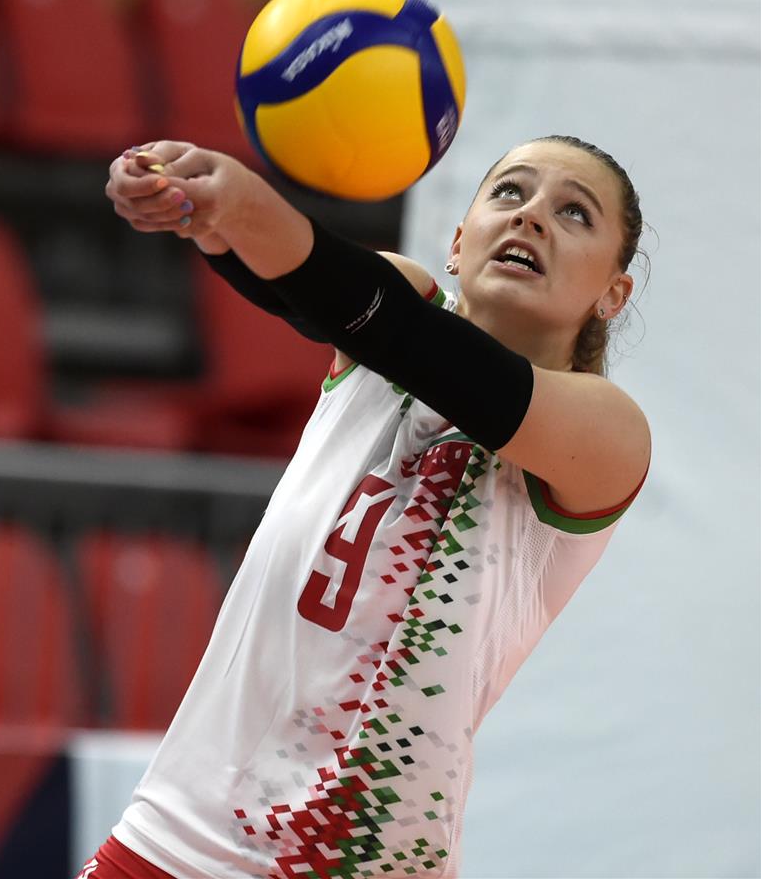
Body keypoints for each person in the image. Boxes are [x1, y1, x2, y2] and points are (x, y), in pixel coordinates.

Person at [79, 135, 651, 879]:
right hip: (175, 844)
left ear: (613, 294)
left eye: (574, 213)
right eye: (510, 192)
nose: (531, 216)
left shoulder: (608, 433)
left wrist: (245, 206)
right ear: (458, 243)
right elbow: (308, 287)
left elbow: (407, 338)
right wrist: (205, 210)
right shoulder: (389, 310)